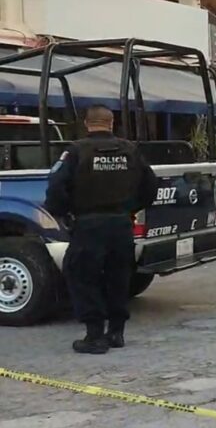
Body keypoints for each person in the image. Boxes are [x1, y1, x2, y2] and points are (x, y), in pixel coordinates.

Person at [45, 105, 158, 354]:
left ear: (87, 123)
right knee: (119, 278)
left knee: (84, 277)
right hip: (120, 224)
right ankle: (116, 333)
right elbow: (150, 187)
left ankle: (95, 336)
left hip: (88, 224)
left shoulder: (76, 151)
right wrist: (130, 208)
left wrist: (66, 213)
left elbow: (55, 189)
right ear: (111, 123)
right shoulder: (130, 150)